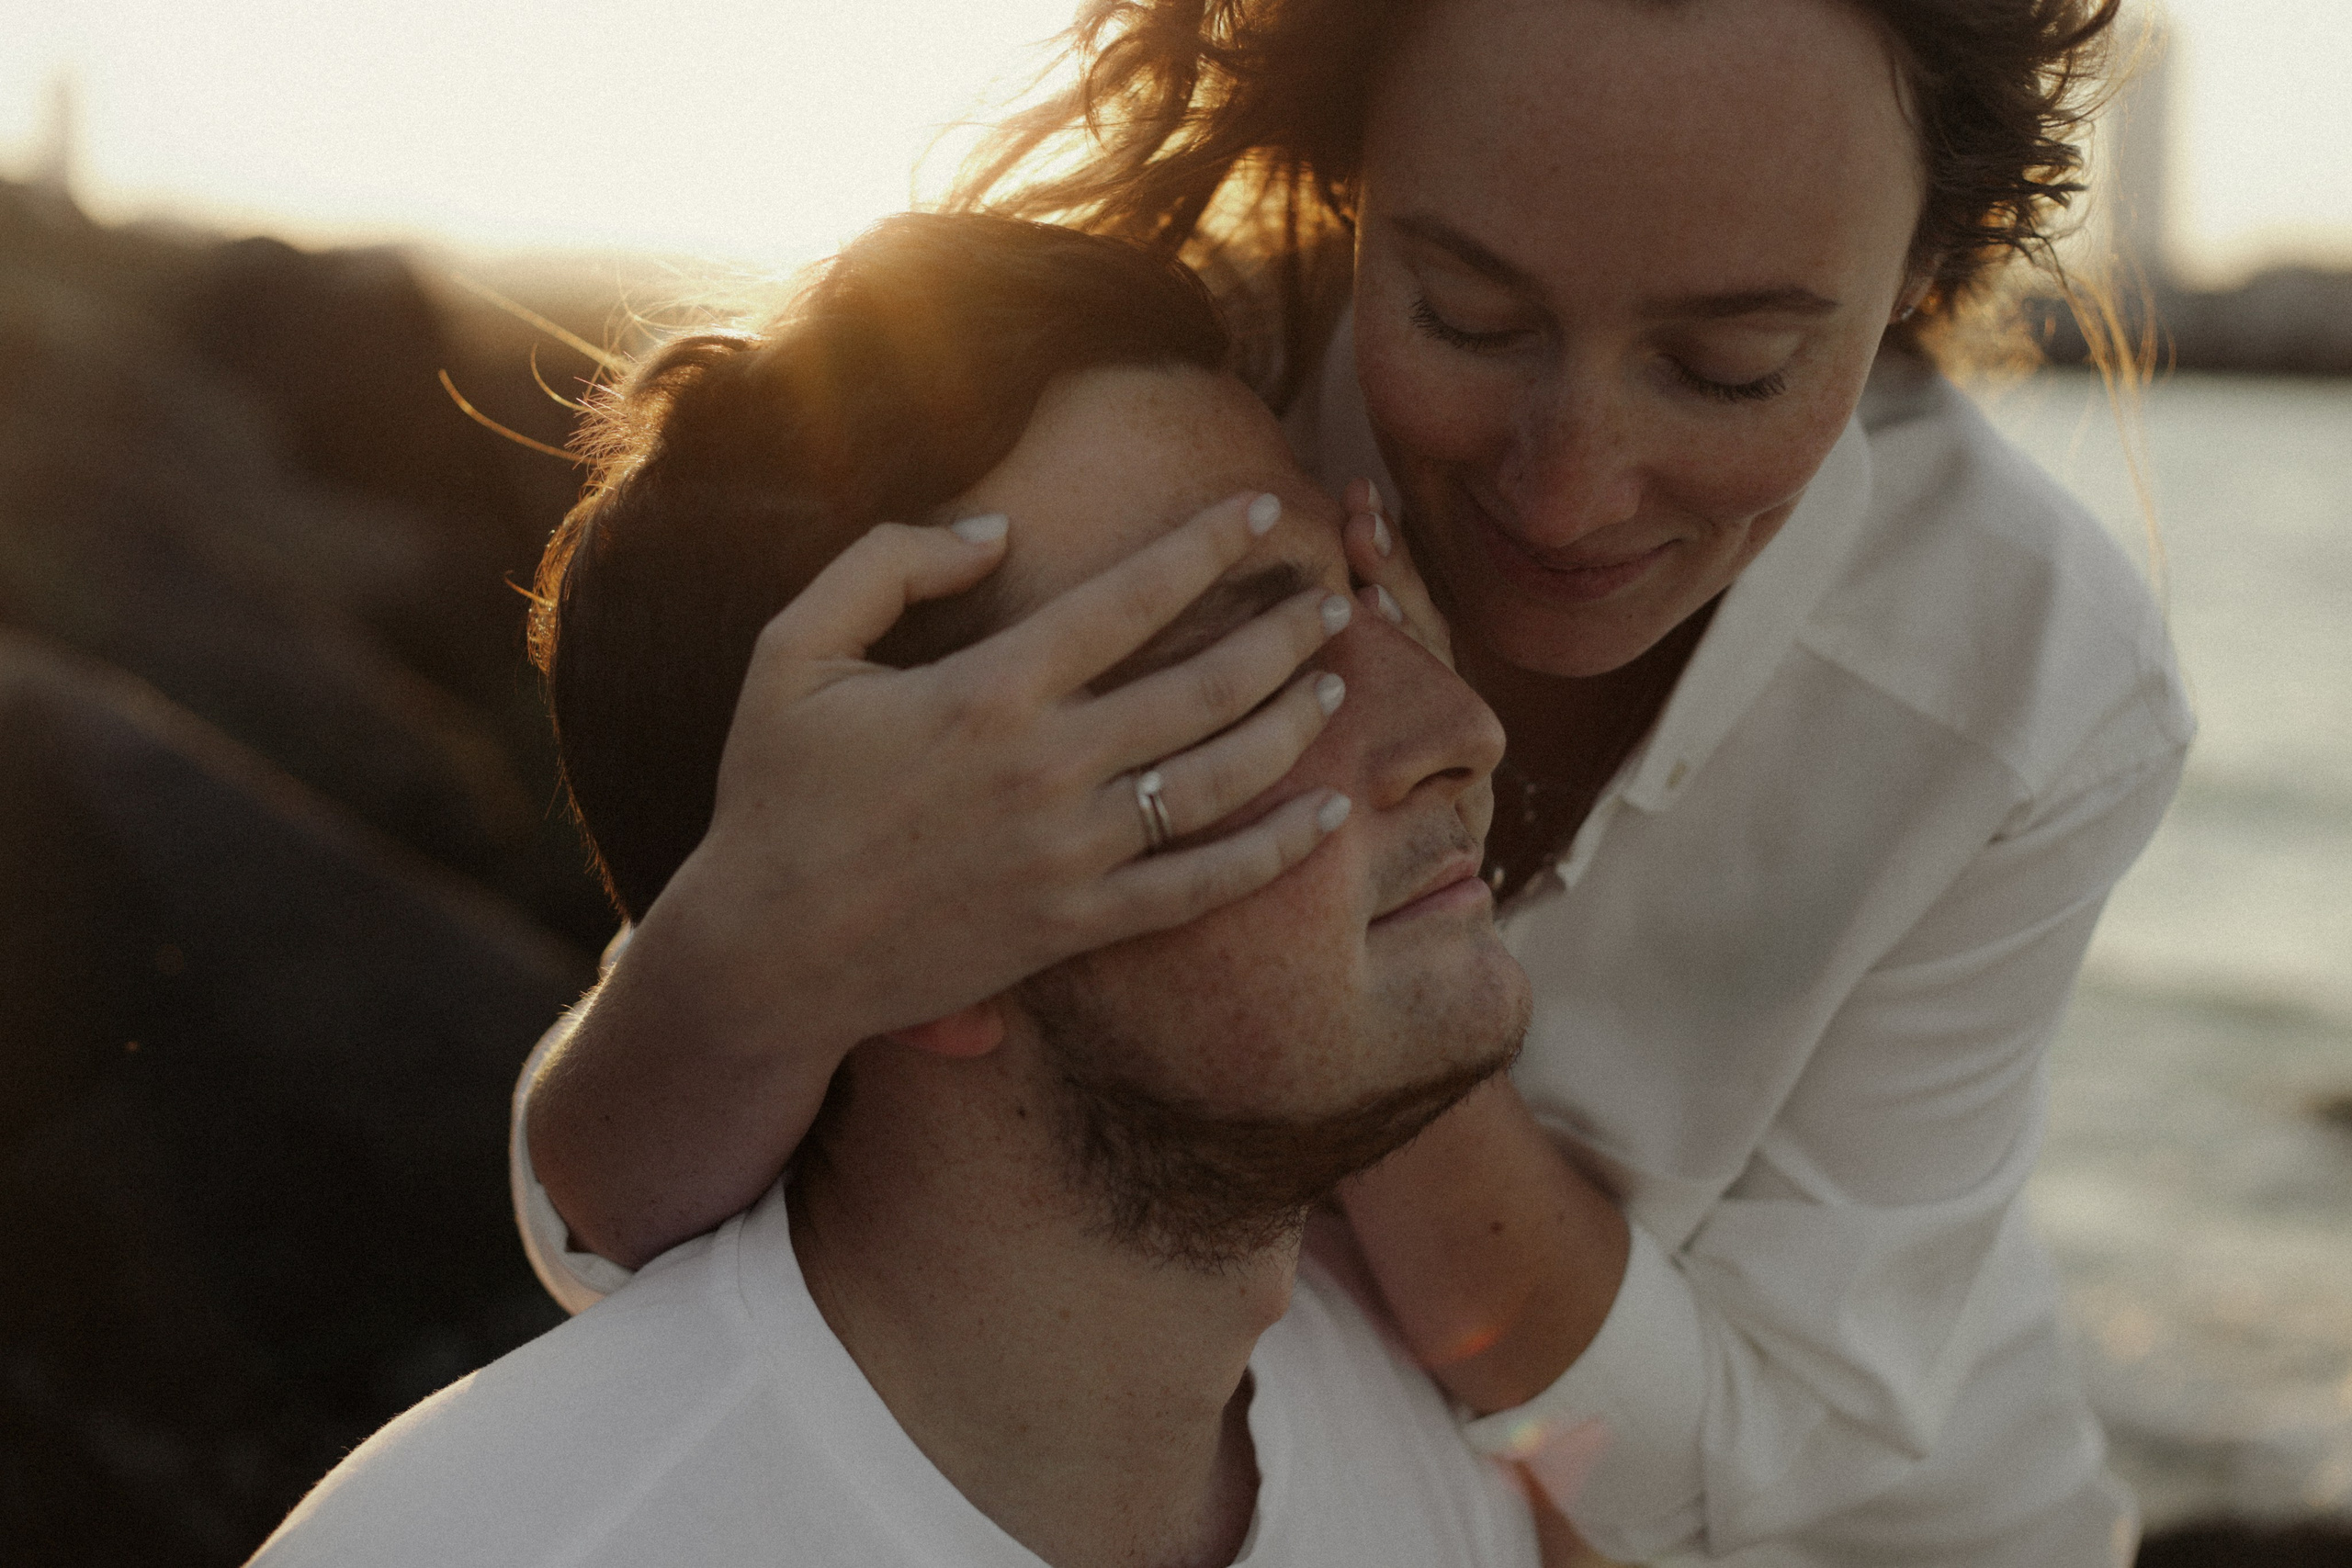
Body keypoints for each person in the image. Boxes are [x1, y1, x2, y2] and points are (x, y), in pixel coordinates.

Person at [518, 1, 2193, 1562]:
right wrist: (769, 937)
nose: (1570, 487)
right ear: (1348, 174)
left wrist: (1349, 989)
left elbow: (1756, 1457)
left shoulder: (2030, 681)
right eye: (1467, 316)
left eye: (1731, 367)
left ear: (1920, 268)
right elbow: (626, 1218)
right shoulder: (1167, 403)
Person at [249, 213, 1545, 1568]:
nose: (1463, 728)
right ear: (889, 916)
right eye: (1252, 677)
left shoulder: (1433, 1485)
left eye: (1369, 601)